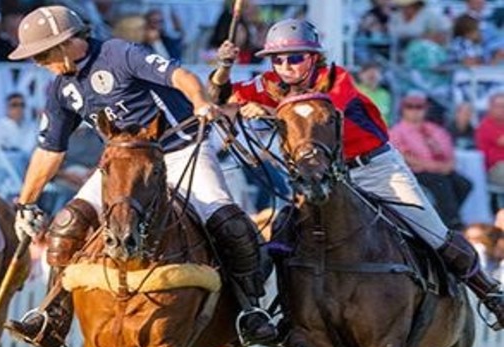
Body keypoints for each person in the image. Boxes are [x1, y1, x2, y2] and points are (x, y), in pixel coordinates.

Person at [3, 5, 278, 347]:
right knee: (66, 225)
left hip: (178, 152)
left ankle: (251, 311)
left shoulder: (118, 53)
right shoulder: (61, 89)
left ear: (66, 42)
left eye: (42, 55)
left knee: (228, 221)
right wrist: (25, 202)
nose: (39, 64)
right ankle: (52, 316)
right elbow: (49, 151)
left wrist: (200, 103)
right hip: (123, 167)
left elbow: (180, 76)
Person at [211, 19, 504, 329]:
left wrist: (269, 112)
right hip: (326, 177)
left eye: (295, 57)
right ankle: (278, 313)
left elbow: (319, 115)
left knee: (431, 230)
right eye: (278, 59)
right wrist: (224, 68)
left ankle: (489, 293)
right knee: (285, 233)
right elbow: (219, 97)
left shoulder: (334, 78)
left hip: (376, 168)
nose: (286, 66)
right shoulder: (269, 82)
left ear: (313, 58)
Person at [389, 91, 471, 230]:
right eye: (410, 107)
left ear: (425, 109)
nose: (415, 111)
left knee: (464, 184)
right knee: (442, 184)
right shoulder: (397, 131)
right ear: (403, 109)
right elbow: (402, 156)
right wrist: (434, 166)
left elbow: (449, 150)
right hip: (415, 171)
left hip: (439, 169)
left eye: (419, 107)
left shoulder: (435, 129)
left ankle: (445, 217)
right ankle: (452, 221)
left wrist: (449, 164)